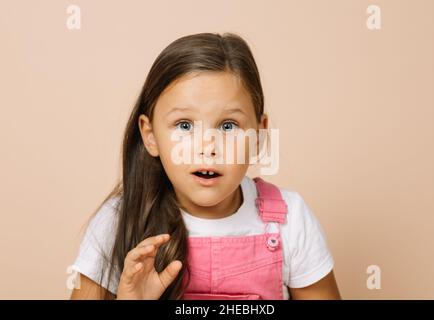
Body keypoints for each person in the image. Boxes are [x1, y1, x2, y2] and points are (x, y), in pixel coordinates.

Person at [70, 32, 341, 300]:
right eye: (185, 126)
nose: (208, 147)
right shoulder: (119, 220)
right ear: (150, 136)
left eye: (228, 126)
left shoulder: (290, 220)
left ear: (258, 135)